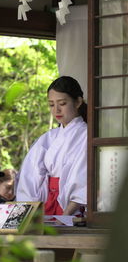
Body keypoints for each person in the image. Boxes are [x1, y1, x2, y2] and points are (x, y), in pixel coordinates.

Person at [15, 76, 87, 216]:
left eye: (62, 103)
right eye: (52, 105)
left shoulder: (86, 135)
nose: (56, 110)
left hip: (70, 206)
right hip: (46, 203)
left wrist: (65, 215)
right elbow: (30, 175)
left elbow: (82, 180)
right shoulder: (48, 138)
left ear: (78, 102)